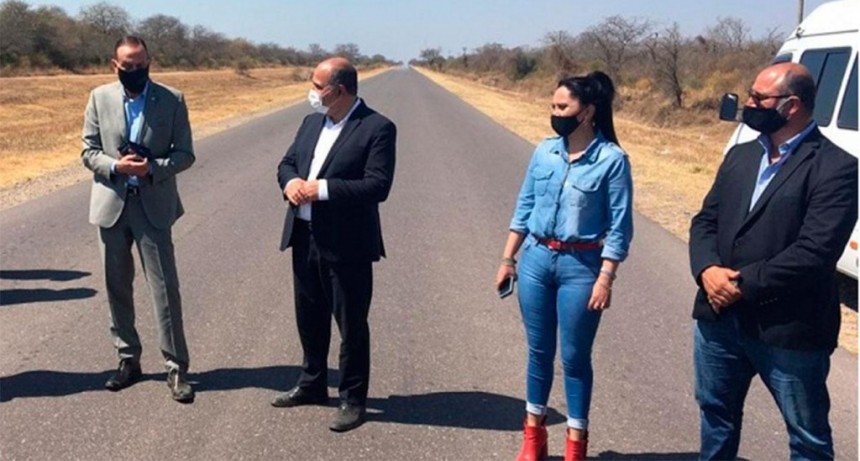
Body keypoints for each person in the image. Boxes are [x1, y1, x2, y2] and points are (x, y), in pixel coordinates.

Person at [689, 62, 858, 461]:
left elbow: (815, 252)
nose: (748, 104)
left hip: (788, 328)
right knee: (716, 416)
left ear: (791, 105)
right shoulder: (741, 155)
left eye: (758, 98)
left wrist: (739, 285)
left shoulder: (837, 167)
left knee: (807, 437)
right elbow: (706, 221)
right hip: (719, 319)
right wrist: (707, 270)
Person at [497, 71, 634, 461]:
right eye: (553, 107)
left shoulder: (612, 161)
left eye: (563, 107)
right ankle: (533, 438)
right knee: (538, 352)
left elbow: (620, 227)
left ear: (587, 111)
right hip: (536, 259)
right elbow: (524, 207)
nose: (555, 114)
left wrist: (606, 278)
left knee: (574, 358)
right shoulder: (545, 152)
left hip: (581, 266)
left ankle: (576, 444)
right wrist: (508, 258)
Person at [273, 57, 396, 432]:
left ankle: (353, 399)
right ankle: (312, 383)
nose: (311, 92)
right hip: (304, 236)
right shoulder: (311, 123)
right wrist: (291, 183)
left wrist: (321, 190)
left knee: (351, 325)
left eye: (317, 86)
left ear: (339, 90)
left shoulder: (377, 128)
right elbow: (287, 163)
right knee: (309, 316)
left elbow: (377, 185)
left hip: (348, 245)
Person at [81, 36, 196, 402]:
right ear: (114, 65)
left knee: (164, 289)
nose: (135, 70)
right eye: (127, 65)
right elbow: (88, 150)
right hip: (112, 205)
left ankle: (176, 367)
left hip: (153, 206)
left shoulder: (171, 99)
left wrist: (152, 168)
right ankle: (128, 359)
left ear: (150, 61)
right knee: (116, 287)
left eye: (140, 63)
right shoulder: (99, 97)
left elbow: (185, 154)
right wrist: (116, 166)